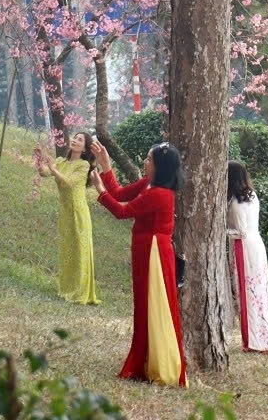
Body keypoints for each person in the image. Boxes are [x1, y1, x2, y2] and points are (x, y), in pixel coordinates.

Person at [88, 139, 187, 387]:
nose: (145, 162)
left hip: (154, 252)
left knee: (153, 304)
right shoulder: (149, 184)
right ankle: (144, 359)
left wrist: (100, 192)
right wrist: (106, 165)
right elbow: (120, 194)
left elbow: (122, 211)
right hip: (145, 249)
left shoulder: (160, 194)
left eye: (149, 159)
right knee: (143, 305)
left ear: (160, 166)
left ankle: (158, 363)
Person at [37, 132, 99, 305]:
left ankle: (80, 292)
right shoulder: (61, 162)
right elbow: (44, 173)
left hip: (78, 212)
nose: (75, 140)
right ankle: (67, 288)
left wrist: (53, 168)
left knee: (80, 250)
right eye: (75, 137)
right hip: (65, 211)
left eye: (80, 140)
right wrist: (41, 163)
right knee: (68, 250)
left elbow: (69, 183)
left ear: (85, 148)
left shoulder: (83, 165)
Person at [226, 161, 268, 353]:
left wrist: (220, 232)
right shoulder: (251, 196)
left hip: (243, 248)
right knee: (259, 292)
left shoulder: (236, 202)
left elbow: (240, 232)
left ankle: (254, 341)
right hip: (256, 245)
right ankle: (264, 338)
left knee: (247, 293)